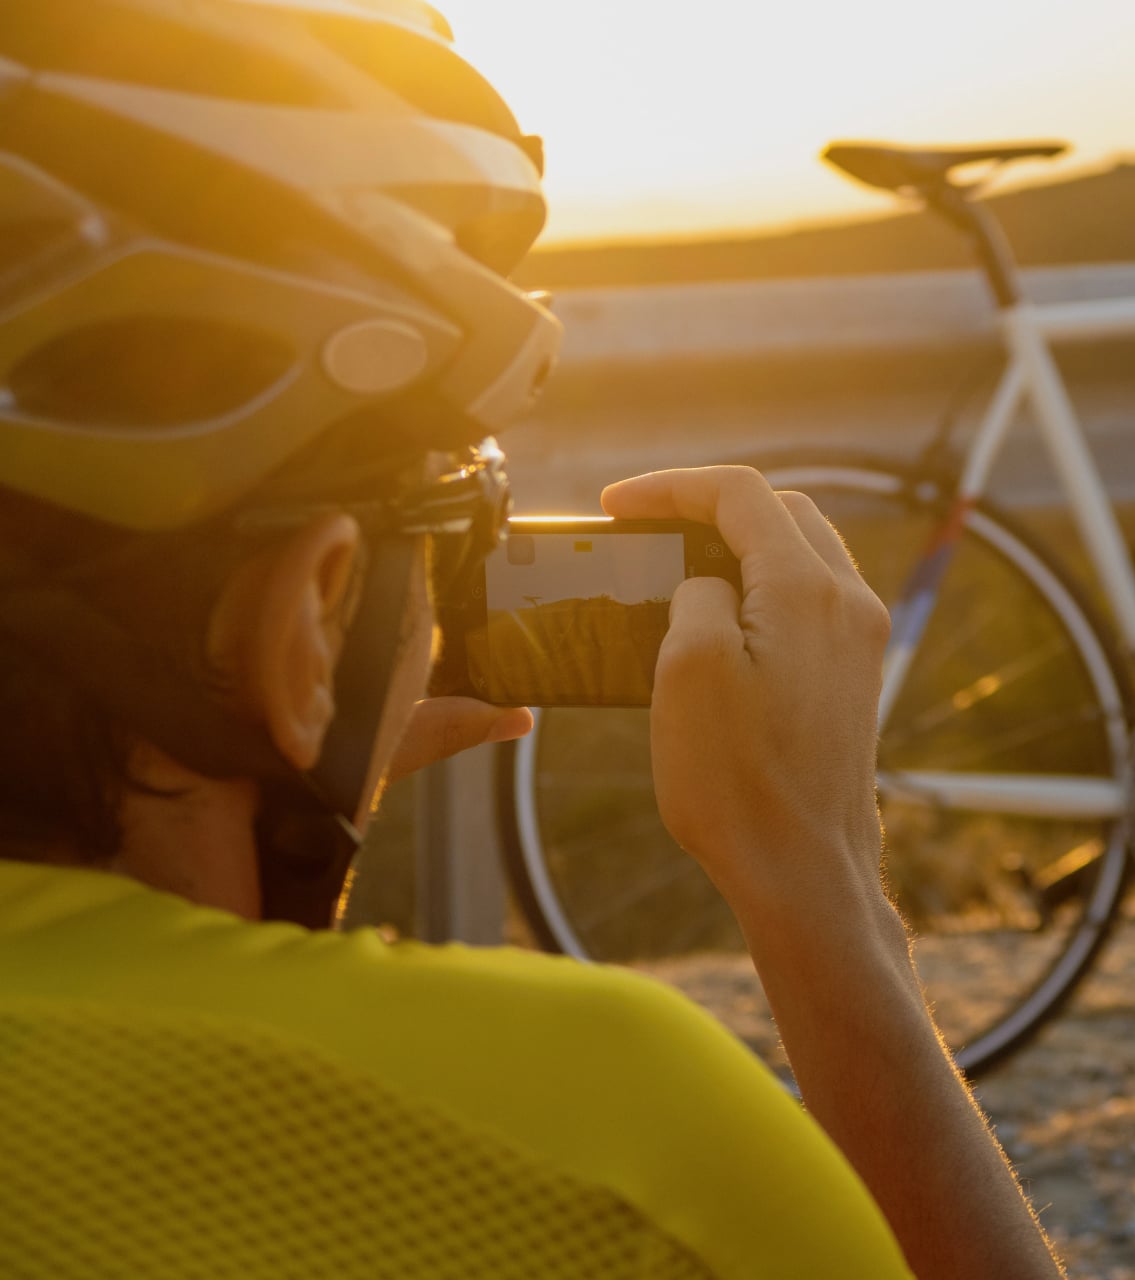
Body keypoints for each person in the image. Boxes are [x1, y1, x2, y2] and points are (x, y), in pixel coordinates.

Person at [0, 3, 1064, 1277]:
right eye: (451, 520)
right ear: (312, 614)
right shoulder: (605, 1126)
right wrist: (823, 878)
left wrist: (274, 772)